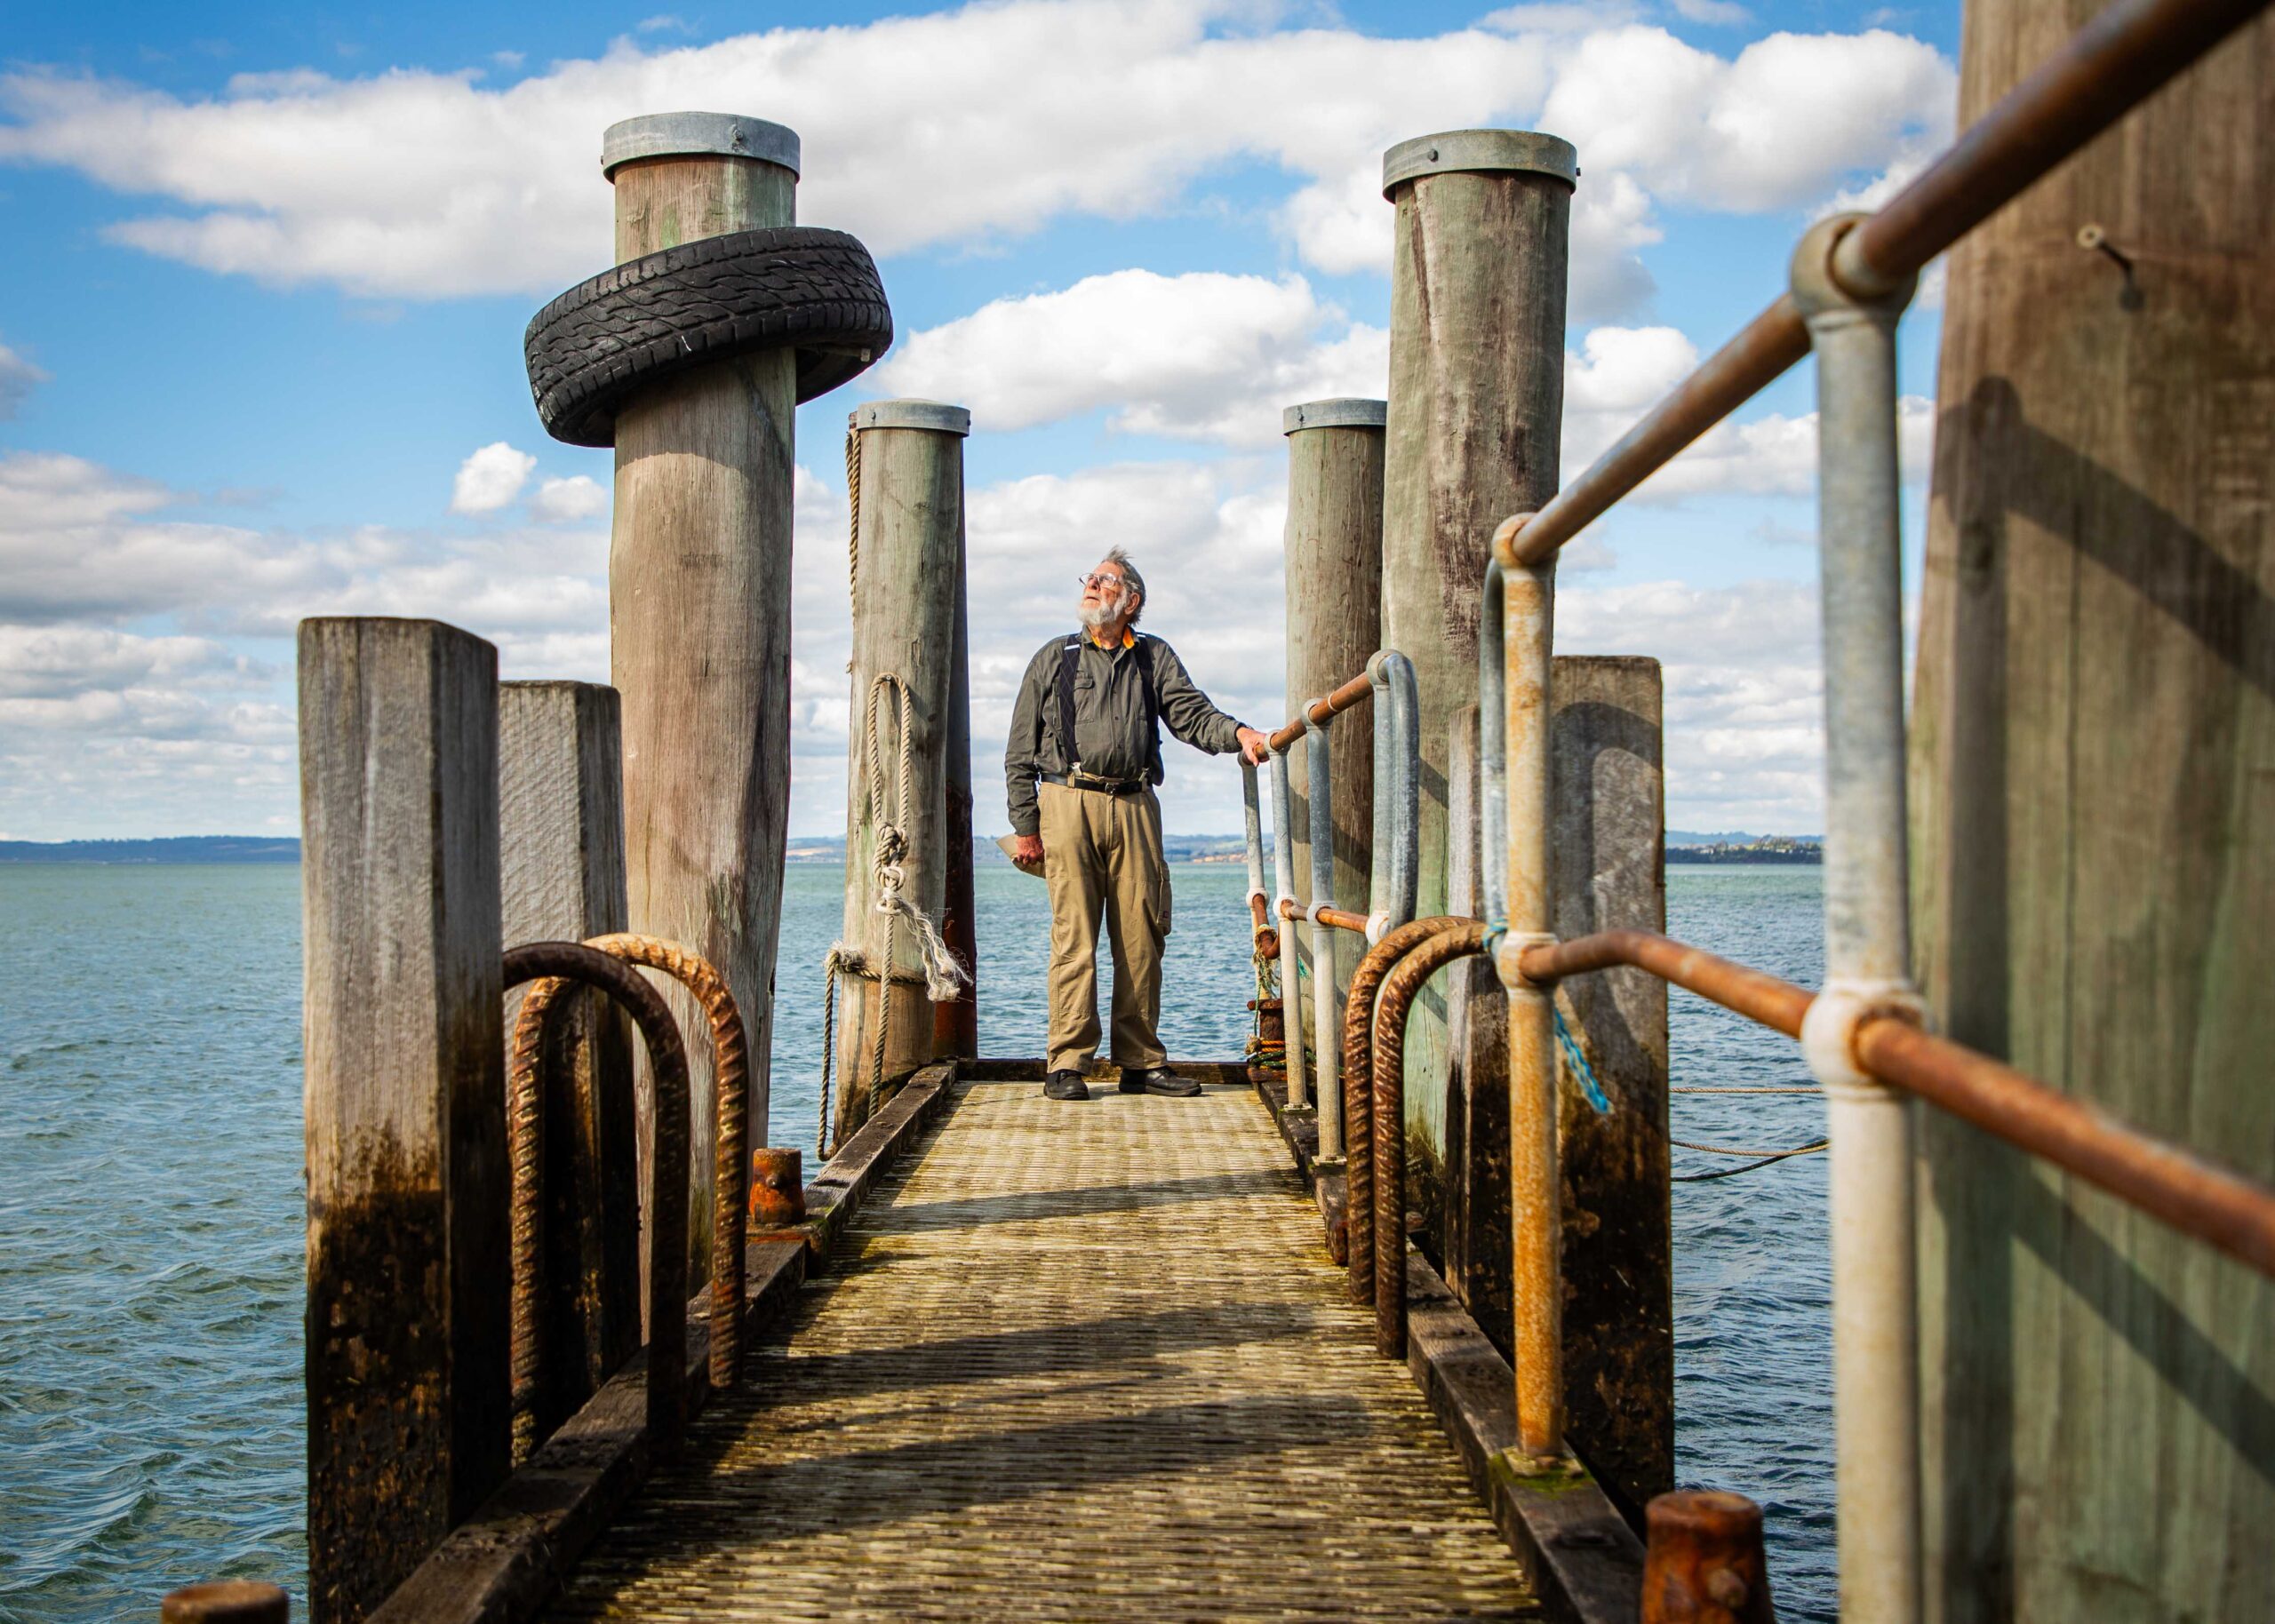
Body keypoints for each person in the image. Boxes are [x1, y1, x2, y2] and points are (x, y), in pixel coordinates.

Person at [1004, 548, 1269, 1101]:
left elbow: (1191, 715)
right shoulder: (1055, 656)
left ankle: (1140, 1063)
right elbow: (1019, 751)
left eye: (1105, 581)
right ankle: (1067, 1064)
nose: (1092, 587)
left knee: (1143, 933)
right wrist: (1026, 826)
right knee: (1074, 936)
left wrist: (1240, 734)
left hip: (1136, 804)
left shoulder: (1153, 657)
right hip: (1066, 800)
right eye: (1091, 579)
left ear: (1132, 600)